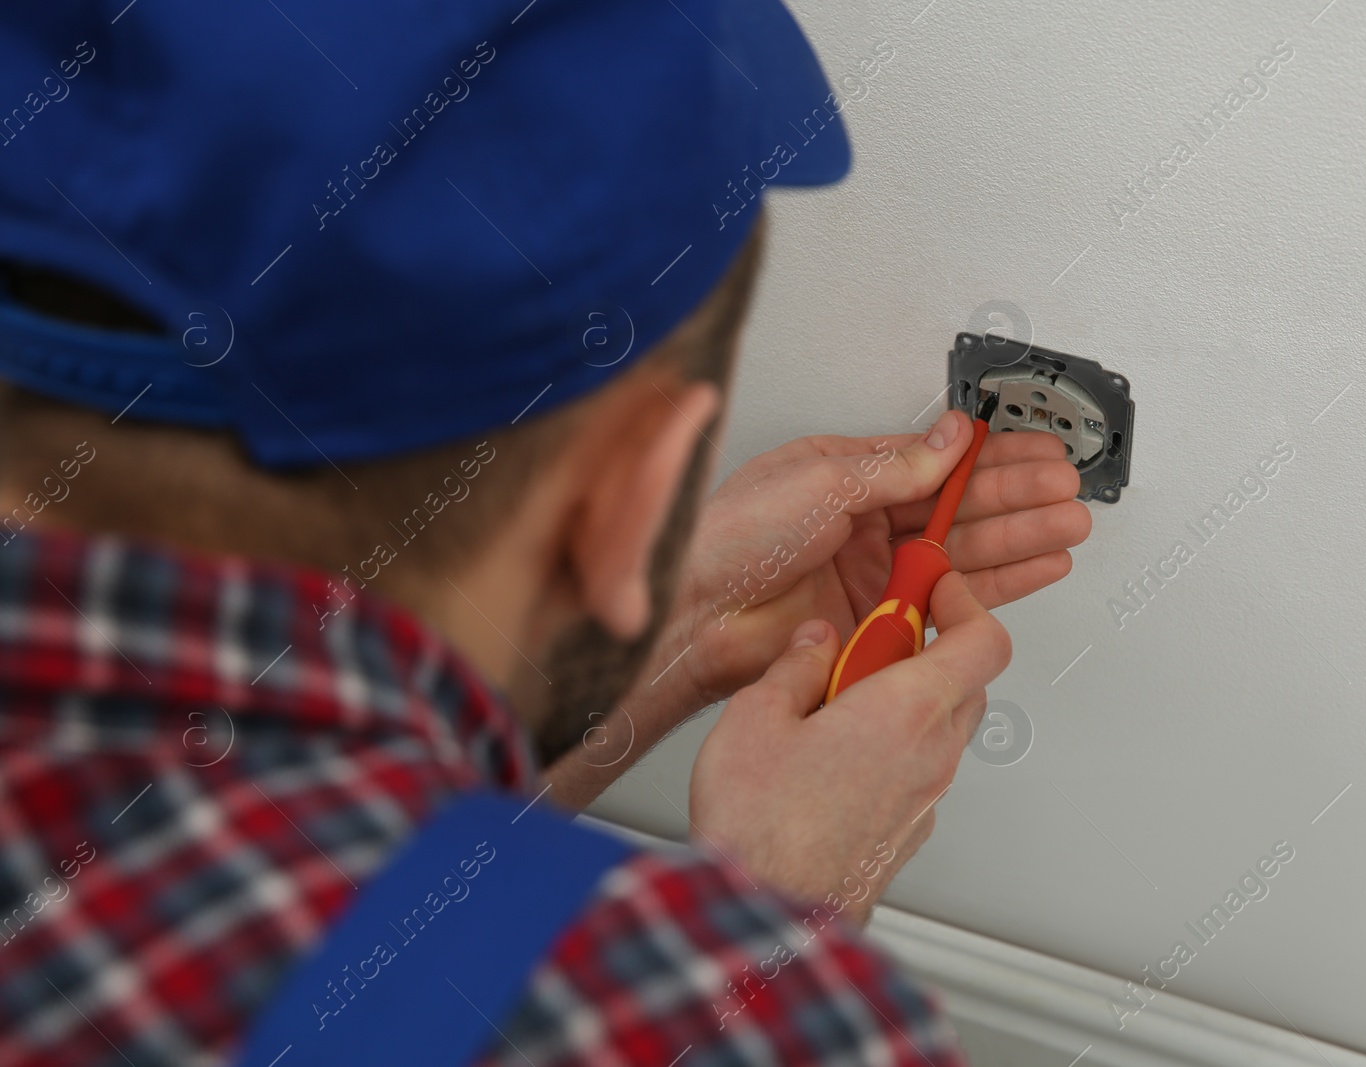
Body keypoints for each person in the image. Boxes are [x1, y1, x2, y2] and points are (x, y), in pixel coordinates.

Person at [0, 2, 1090, 1064]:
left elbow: (289, 871)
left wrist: (689, 630)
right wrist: (771, 921)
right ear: (639, 490)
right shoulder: (729, 1012)